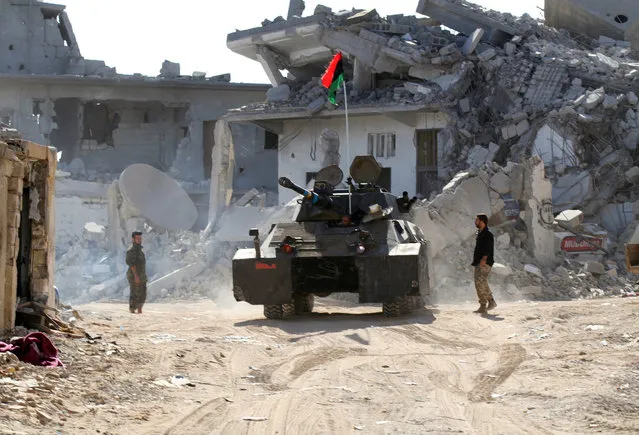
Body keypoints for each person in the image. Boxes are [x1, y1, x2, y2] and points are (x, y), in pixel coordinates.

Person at [471, 214, 497, 314]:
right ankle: (487, 303)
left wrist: (484, 258)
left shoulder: (487, 234)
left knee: (481, 280)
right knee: (479, 282)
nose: (475, 222)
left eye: (476, 220)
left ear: (482, 221)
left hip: (485, 261)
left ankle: (488, 302)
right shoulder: (480, 233)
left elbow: (489, 248)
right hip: (479, 261)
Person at [125, 231, 147, 314]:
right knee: (136, 293)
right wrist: (136, 276)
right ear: (133, 239)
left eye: (140, 238)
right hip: (135, 275)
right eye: (137, 238)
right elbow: (131, 264)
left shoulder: (139, 249)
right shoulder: (132, 250)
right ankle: (134, 310)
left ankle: (139, 310)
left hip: (141, 275)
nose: (139, 240)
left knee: (142, 293)